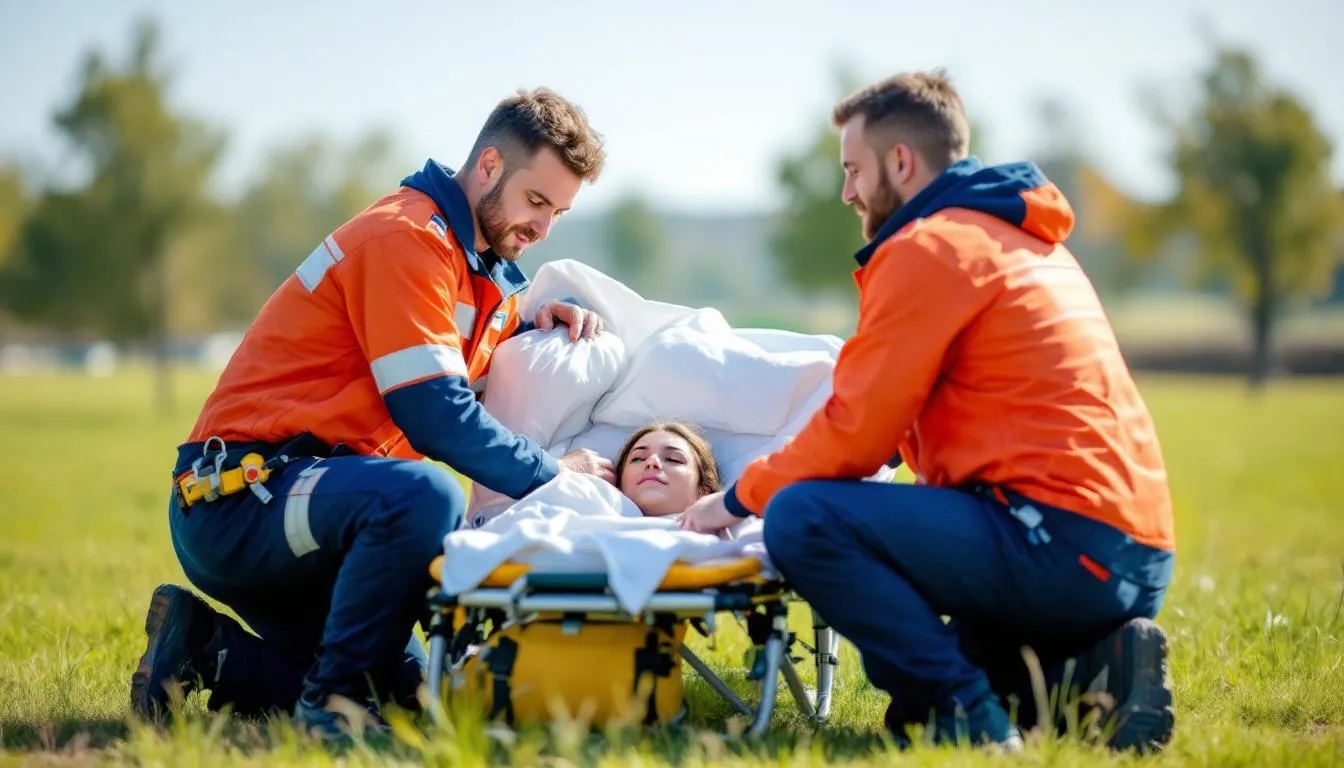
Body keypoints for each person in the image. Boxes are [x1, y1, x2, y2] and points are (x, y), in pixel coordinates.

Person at [680, 70, 1176, 753]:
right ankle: (1104, 667)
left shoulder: (928, 247)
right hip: (1127, 554)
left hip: (1056, 543)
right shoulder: (1023, 240)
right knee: (914, 714)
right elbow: (893, 422)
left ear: (901, 162)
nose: (847, 191)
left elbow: (855, 432)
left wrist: (736, 498)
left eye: (853, 169)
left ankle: (972, 719)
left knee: (805, 518)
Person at [131, 87, 619, 739]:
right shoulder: (408, 237)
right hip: (239, 499)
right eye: (537, 201)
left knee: (412, 701)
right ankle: (329, 717)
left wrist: (529, 323)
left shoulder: (480, 267)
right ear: (490, 167)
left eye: (558, 212)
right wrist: (558, 479)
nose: (542, 227)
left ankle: (202, 648)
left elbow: (451, 350)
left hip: (318, 510)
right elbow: (434, 413)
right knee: (421, 496)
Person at [613, 420, 723, 518]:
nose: (652, 462)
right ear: (619, 483)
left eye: (672, 459)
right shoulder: (597, 515)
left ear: (704, 490)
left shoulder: (724, 537)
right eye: (638, 458)